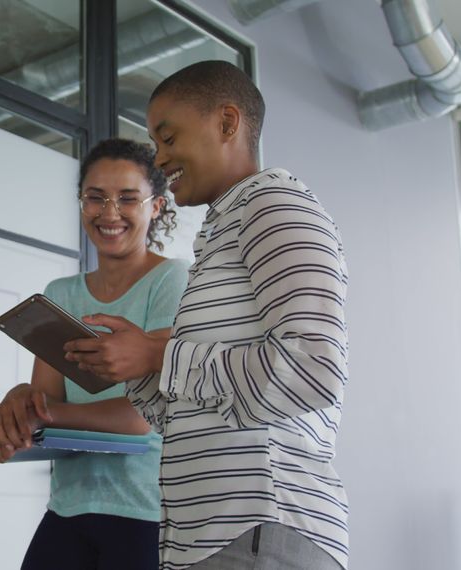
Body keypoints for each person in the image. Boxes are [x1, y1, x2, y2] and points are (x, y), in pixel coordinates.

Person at [62, 61, 350, 569]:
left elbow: (314, 369)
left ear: (227, 123)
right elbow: (191, 414)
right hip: (209, 538)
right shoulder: (219, 236)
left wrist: (157, 352)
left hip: (262, 527)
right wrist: (140, 369)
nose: (160, 158)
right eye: (155, 142)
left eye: (168, 137)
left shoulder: (274, 205)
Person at [0, 138, 190, 570]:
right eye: (95, 197)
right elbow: (48, 401)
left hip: (146, 512)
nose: (109, 212)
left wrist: (38, 413)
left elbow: (142, 417)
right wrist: (23, 407)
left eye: (128, 198)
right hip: (70, 505)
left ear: (157, 207)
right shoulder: (61, 295)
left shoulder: (172, 280)